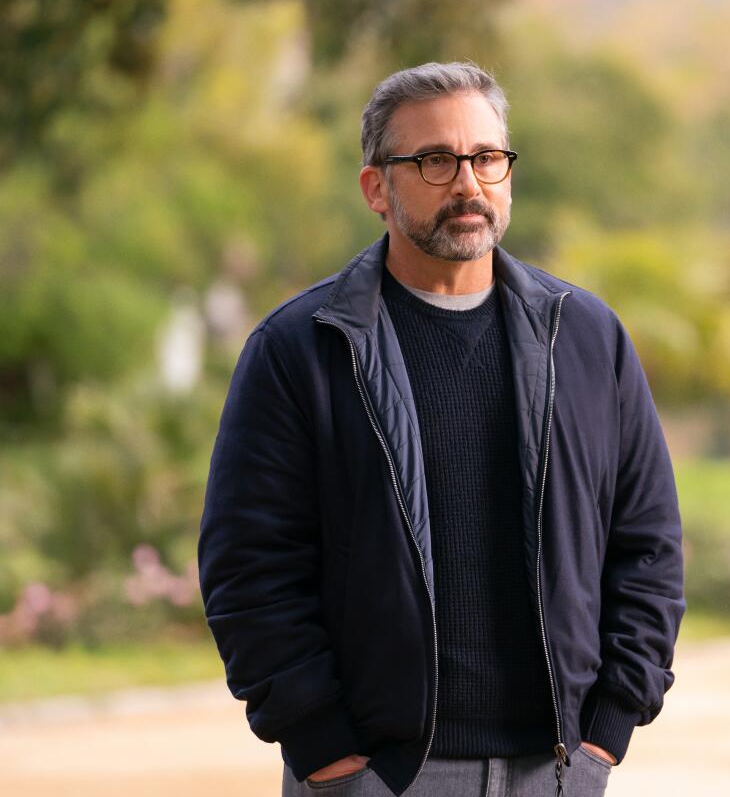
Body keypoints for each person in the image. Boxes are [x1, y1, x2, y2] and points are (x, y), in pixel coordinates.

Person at [197, 61, 685, 797]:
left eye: (487, 158)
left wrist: (601, 743)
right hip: (375, 776)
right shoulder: (302, 349)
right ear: (376, 187)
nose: (468, 183)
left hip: (555, 772)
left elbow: (648, 547)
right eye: (434, 160)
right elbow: (249, 572)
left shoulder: (585, 337)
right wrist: (328, 758)